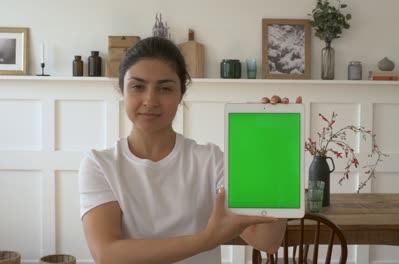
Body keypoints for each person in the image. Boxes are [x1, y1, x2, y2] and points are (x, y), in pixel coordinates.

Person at [79, 36, 302, 264]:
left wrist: (278, 158)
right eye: (138, 86)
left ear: (180, 95)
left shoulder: (211, 161)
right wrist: (206, 240)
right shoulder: (100, 164)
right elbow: (107, 254)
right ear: (122, 90)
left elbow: (267, 241)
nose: (150, 100)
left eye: (165, 88)